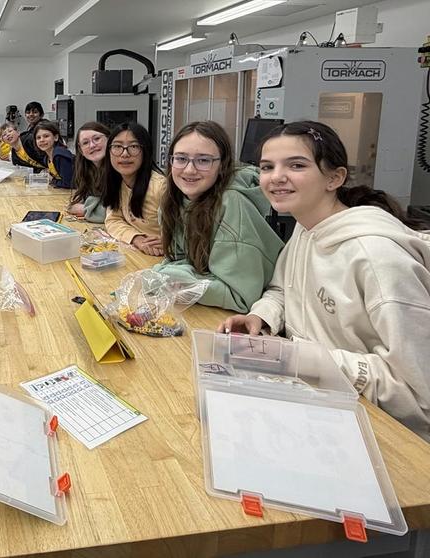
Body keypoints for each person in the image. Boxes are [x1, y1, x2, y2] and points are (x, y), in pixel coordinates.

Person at [219, 120, 430, 442]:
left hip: (383, 435)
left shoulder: (377, 258)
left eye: (296, 165)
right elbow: (282, 289)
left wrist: (302, 357)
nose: (276, 177)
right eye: (267, 166)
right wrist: (260, 316)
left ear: (335, 177)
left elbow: (419, 395)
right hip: (320, 403)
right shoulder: (307, 228)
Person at [153, 121, 283, 312]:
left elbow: (238, 296)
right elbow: (180, 261)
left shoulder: (233, 203)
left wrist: (165, 277)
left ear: (222, 164)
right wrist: (166, 275)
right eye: (181, 159)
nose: (189, 169)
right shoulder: (174, 201)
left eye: (203, 160)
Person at [101, 122, 166, 255]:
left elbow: (186, 234)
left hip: (166, 258)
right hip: (140, 255)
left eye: (134, 146)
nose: (125, 154)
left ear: (146, 151)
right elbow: (113, 220)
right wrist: (137, 238)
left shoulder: (161, 187)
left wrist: (170, 242)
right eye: (117, 146)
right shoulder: (117, 181)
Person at [68, 122, 110, 222]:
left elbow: (121, 212)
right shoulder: (88, 171)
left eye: (97, 139)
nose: (92, 145)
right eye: (85, 143)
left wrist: (86, 209)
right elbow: (77, 200)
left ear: (109, 139)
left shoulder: (121, 168)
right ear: (81, 150)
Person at [32, 121, 74, 188]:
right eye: (38, 138)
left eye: (46, 136)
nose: (42, 140)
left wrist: (51, 179)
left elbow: (68, 183)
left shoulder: (59, 155)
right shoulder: (46, 158)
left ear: (56, 137)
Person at [9, 101, 47, 170]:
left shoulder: (44, 127)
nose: (31, 114)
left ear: (41, 114)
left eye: (35, 112)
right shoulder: (31, 127)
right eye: (28, 112)